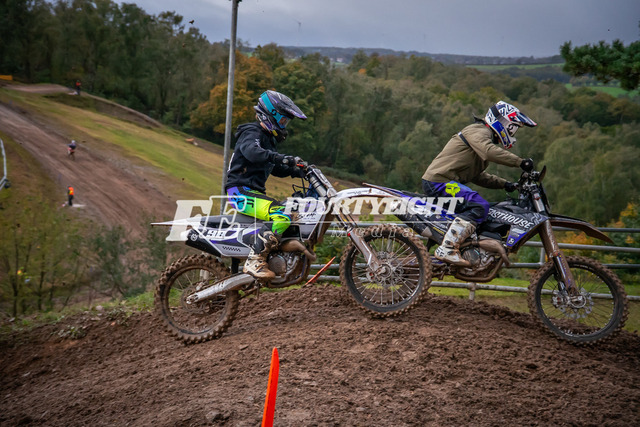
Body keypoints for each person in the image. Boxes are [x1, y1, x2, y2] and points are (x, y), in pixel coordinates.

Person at [421, 100, 537, 265]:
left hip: (444, 182)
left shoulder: (481, 137)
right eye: (513, 127)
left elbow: (477, 176)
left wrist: (506, 184)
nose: (513, 132)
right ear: (503, 122)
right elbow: (488, 151)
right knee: (479, 205)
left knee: (489, 210)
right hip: (440, 181)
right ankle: (448, 248)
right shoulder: (479, 131)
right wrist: (520, 162)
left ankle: (470, 248)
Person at [225, 90, 308, 279]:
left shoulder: (267, 140)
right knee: (282, 216)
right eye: (283, 120)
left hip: (251, 193)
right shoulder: (251, 132)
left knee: (294, 212)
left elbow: (274, 167)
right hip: (240, 193)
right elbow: (252, 152)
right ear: (272, 115)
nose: (284, 125)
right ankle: (255, 260)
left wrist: (298, 171)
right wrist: (282, 158)